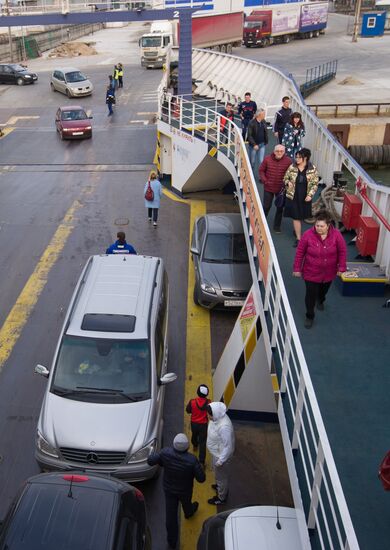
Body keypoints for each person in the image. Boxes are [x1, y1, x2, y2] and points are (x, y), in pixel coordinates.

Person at [147, 433, 205, 550]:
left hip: (169, 490)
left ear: (174, 445)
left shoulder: (165, 453)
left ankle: (172, 542)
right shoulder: (192, 460)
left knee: (171, 517)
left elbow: (150, 461)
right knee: (187, 504)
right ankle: (189, 513)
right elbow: (201, 479)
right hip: (185, 490)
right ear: (187, 447)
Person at [293, 210, 347, 329]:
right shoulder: (307, 235)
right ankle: (310, 316)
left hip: (329, 272)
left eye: (322, 226)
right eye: (317, 225)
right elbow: (300, 252)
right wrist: (297, 268)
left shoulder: (337, 235)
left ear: (328, 225)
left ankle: (321, 299)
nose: (318, 228)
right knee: (310, 294)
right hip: (311, 272)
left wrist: (341, 266)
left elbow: (342, 251)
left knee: (323, 291)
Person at [283, 148, 319, 247]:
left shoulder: (312, 169)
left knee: (302, 216)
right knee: (296, 216)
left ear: (305, 158)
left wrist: (310, 195)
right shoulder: (292, 167)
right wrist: (288, 182)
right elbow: (285, 177)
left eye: (299, 157)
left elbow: (315, 183)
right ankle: (299, 238)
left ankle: (297, 230)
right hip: (293, 195)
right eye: (296, 157)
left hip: (305, 196)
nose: (297, 159)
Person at [259, 145, 292, 233]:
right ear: (274, 151)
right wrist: (265, 180)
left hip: (281, 189)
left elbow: (291, 174)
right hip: (268, 187)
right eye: (277, 151)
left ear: (284, 152)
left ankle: (277, 226)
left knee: (280, 207)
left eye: (281, 151)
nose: (279, 153)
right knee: (266, 206)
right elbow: (261, 170)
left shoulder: (288, 161)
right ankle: (261, 224)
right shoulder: (267, 159)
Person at [206, 402, 235, 505]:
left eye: (209, 414)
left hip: (221, 457)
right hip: (217, 452)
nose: (207, 416)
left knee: (222, 478)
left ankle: (221, 497)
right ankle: (219, 486)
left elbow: (228, 446)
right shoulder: (217, 418)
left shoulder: (224, 427)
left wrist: (221, 461)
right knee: (219, 476)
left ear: (215, 414)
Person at [186, 384, 210, 466]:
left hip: (194, 424)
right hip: (203, 425)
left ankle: (195, 445)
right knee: (203, 442)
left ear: (197, 392)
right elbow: (211, 413)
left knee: (194, 435)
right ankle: (201, 462)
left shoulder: (192, 402)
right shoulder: (209, 403)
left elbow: (188, 410)